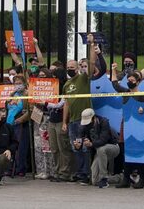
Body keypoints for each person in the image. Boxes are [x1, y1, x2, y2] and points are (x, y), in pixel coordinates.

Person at [63, 32, 101, 183]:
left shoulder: (83, 78)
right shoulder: (66, 84)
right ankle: (80, 172)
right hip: (72, 120)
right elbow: (66, 103)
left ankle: (86, 174)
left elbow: (92, 63)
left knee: (84, 146)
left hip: (84, 119)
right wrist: (64, 121)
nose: (70, 69)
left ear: (78, 68)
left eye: (72, 67)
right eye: (68, 67)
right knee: (75, 147)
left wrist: (92, 45)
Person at [110, 63, 144, 189]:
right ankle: (126, 178)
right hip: (126, 123)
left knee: (139, 151)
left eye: (132, 80)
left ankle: (142, 178)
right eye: (129, 80)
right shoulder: (126, 92)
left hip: (138, 126)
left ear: (138, 82)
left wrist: (142, 110)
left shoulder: (142, 96)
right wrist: (113, 70)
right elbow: (115, 85)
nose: (130, 82)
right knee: (125, 151)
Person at [78, 108, 119, 188]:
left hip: (113, 147)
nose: (87, 124)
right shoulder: (84, 126)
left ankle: (104, 178)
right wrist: (78, 145)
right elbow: (80, 138)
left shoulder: (104, 122)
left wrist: (91, 144)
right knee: (95, 180)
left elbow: (103, 140)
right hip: (98, 151)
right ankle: (120, 177)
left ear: (94, 118)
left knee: (101, 149)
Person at [45, 64, 73, 181]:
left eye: (55, 76)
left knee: (63, 147)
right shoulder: (52, 88)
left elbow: (61, 104)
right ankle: (57, 171)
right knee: (54, 147)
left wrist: (46, 103)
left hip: (62, 120)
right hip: (52, 120)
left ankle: (65, 172)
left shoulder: (65, 87)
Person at [5, 74, 30, 177]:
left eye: (20, 83)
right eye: (16, 83)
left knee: (21, 147)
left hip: (20, 123)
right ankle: (10, 168)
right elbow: (6, 106)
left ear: (24, 84)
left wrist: (22, 119)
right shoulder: (13, 94)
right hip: (10, 123)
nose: (18, 85)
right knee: (10, 147)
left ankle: (20, 168)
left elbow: (30, 110)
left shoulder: (27, 94)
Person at [32, 67, 54, 180]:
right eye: (40, 76)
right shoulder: (35, 85)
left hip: (46, 114)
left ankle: (48, 170)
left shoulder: (52, 86)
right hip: (36, 112)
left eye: (43, 76)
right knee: (37, 143)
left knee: (46, 143)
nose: (41, 78)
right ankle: (39, 170)